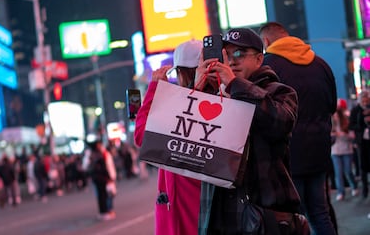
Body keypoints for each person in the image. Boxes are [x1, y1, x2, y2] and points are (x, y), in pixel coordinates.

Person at [193, 28, 305, 234]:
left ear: (259, 59)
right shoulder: (211, 96)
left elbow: (280, 122)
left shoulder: (279, 91)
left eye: (240, 54)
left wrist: (235, 84)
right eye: (227, 55)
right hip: (219, 212)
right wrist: (196, 89)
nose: (232, 61)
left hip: (262, 211)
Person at [259, 22, 337, 235]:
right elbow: (332, 106)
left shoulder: (268, 66)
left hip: (288, 156)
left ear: (266, 42)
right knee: (320, 213)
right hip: (320, 151)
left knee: (295, 219)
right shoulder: (321, 64)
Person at [134, 40, 203, 235]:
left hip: (185, 209)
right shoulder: (225, 97)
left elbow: (142, 136)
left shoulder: (179, 108)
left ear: (180, 72)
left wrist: (155, 89)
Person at [331, 105, 358, 201]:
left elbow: (352, 137)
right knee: (338, 173)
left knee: (348, 171)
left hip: (347, 149)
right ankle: (340, 192)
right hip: (335, 151)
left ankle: (354, 186)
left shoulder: (346, 122)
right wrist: (332, 135)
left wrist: (343, 134)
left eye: (336, 114)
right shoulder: (330, 124)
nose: (335, 116)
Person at [349, 90, 370, 198]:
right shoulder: (355, 110)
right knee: (363, 165)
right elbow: (351, 125)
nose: (365, 101)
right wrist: (361, 125)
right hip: (361, 141)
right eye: (363, 99)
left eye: (367, 99)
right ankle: (365, 189)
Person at [89, 140, 117, 221]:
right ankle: (106, 211)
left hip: (98, 178)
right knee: (105, 195)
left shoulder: (95, 154)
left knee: (103, 196)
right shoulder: (100, 155)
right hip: (102, 178)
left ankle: (104, 211)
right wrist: (109, 177)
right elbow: (106, 167)